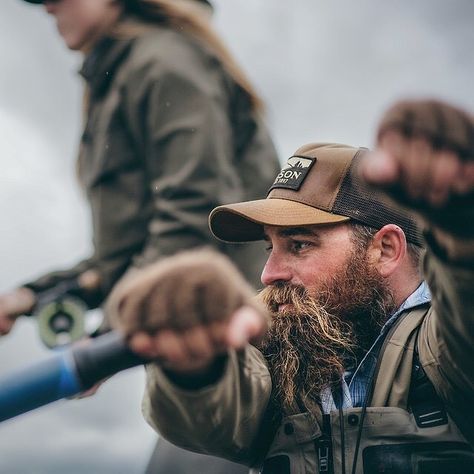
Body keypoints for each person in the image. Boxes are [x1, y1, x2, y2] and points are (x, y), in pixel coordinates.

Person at [106, 98, 474, 473]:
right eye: (271, 247)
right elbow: (216, 411)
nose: (269, 273)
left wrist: (461, 225)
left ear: (385, 249)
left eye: (299, 245)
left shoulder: (447, 347)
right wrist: (196, 366)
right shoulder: (282, 345)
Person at [1, 0, 280, 472]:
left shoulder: (164, 62)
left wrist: (107, 340)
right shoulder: (120, 74)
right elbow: (124, 252)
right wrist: (30, 297)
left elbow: (194, 212)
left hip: (238, 348)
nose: (46, 5)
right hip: (196, 350)